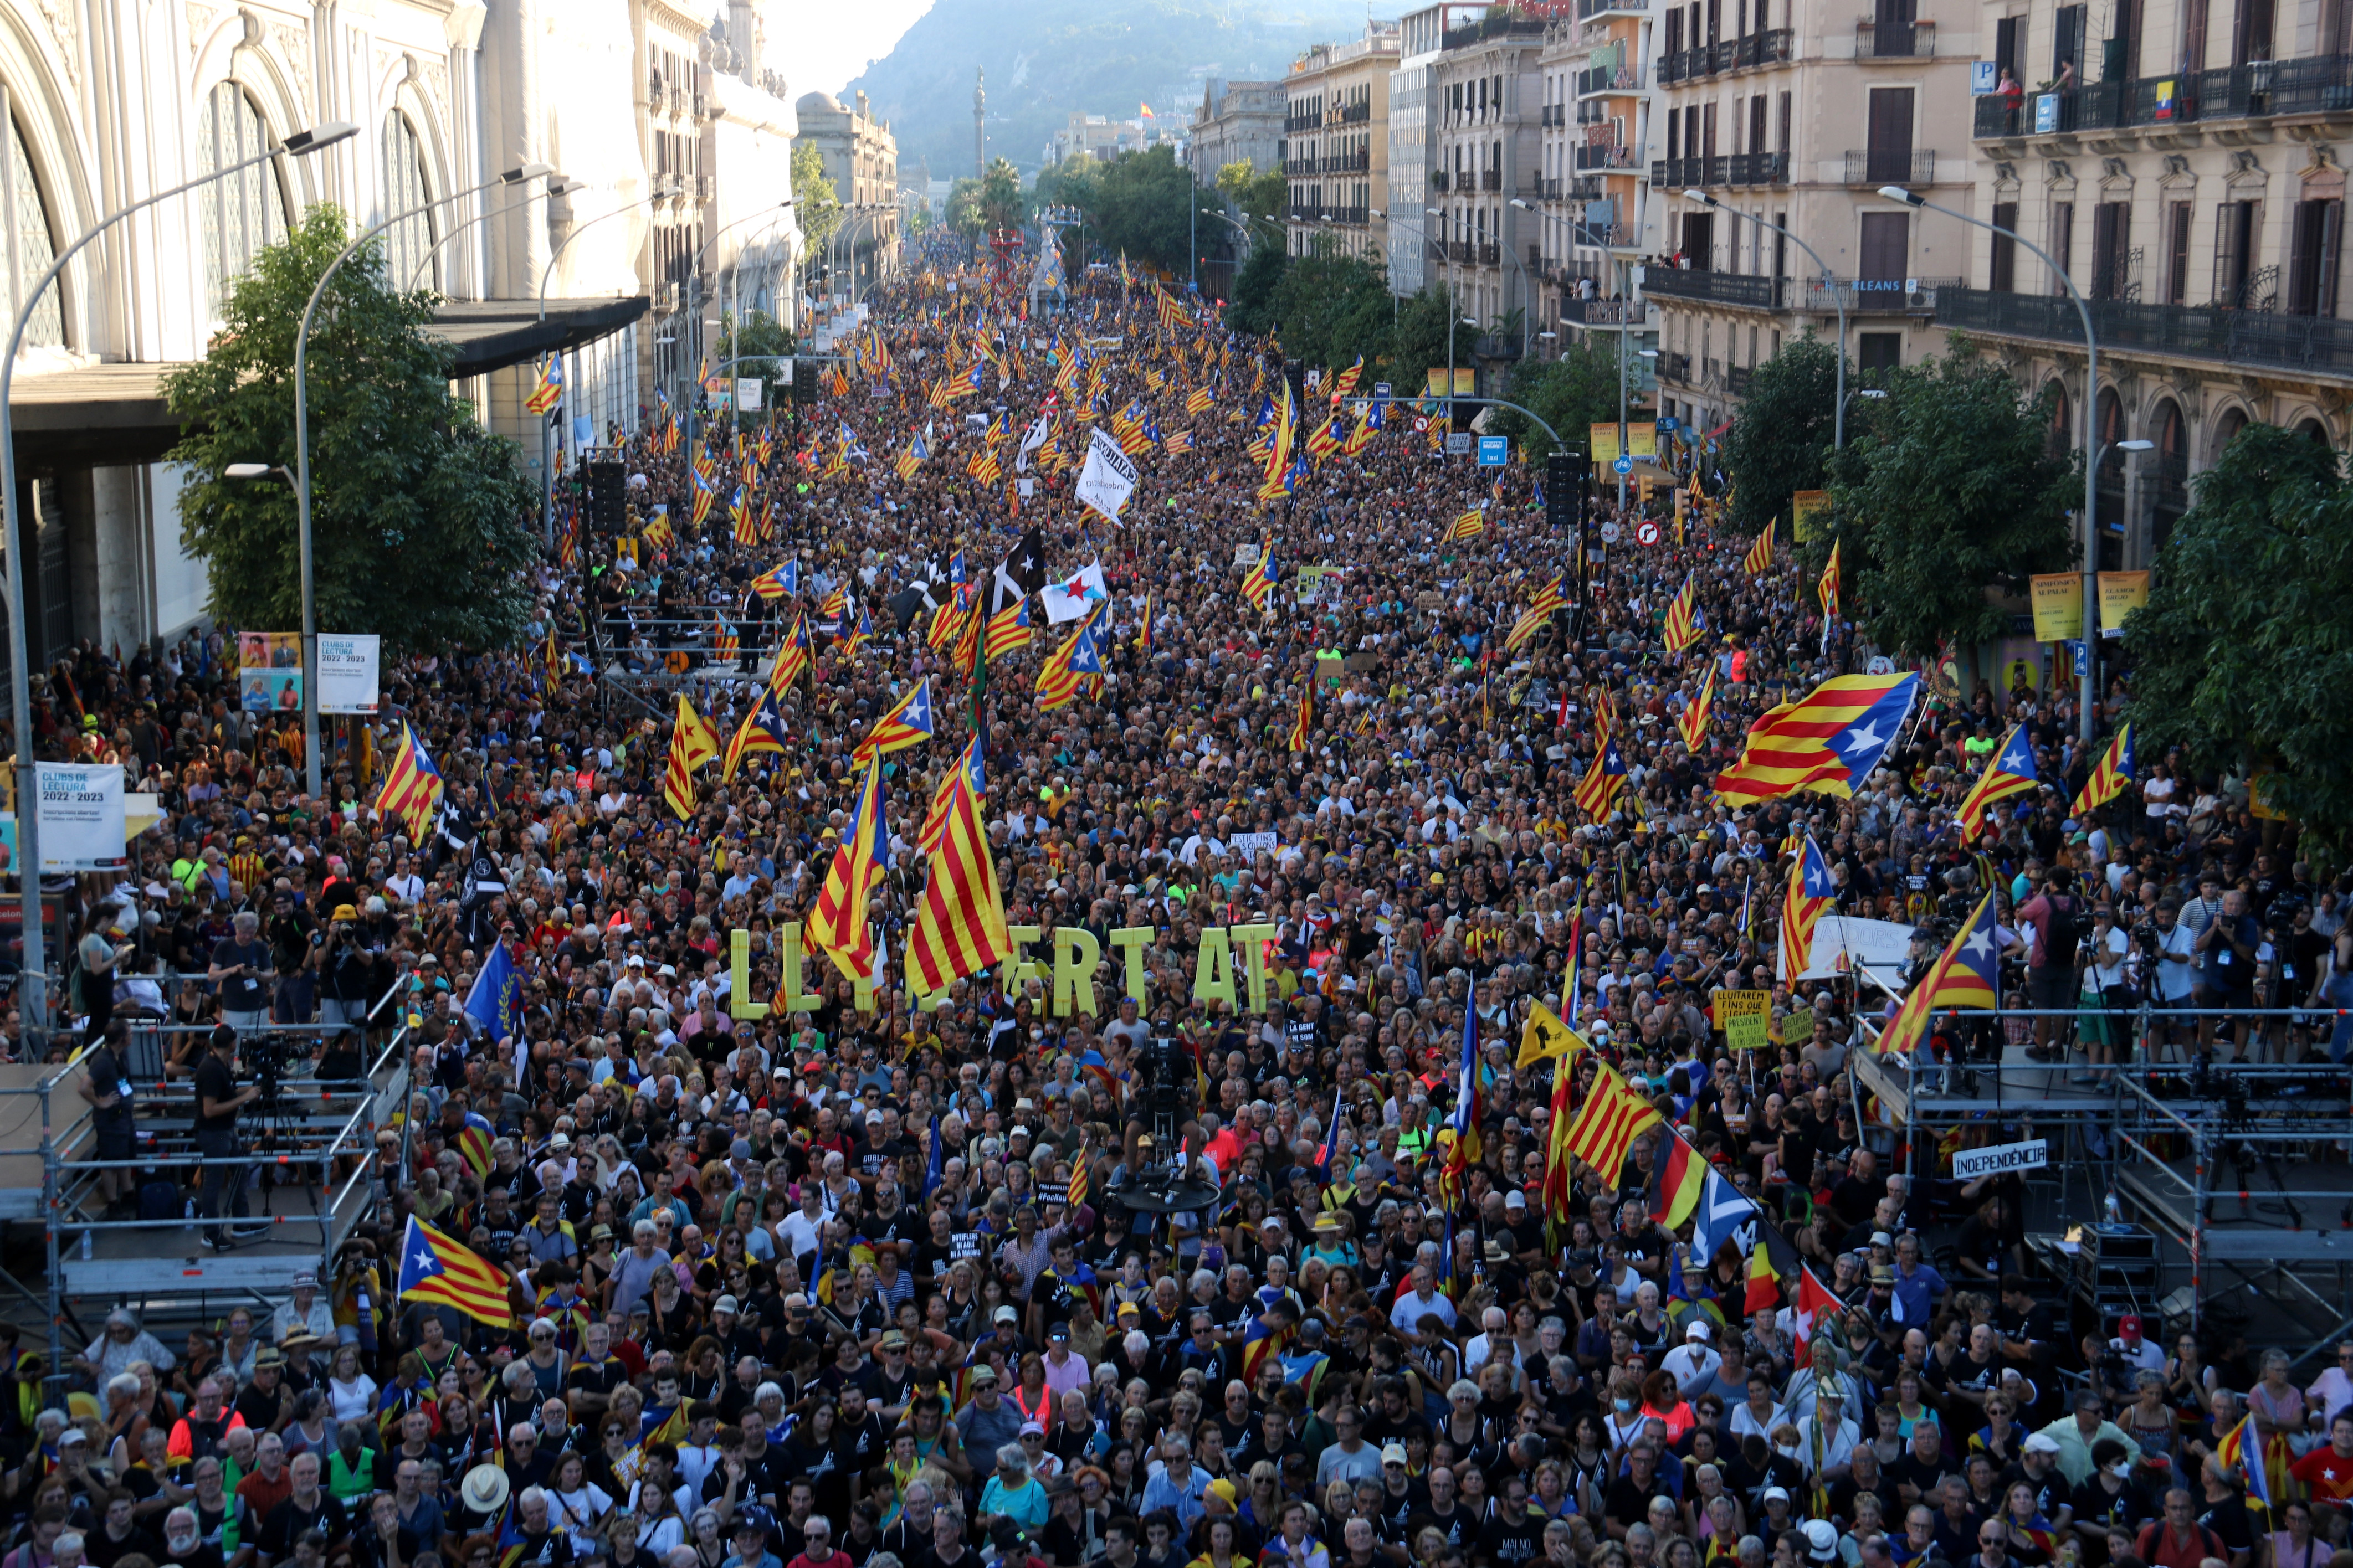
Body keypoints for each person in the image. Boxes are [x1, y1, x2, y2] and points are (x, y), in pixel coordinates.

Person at [192, 1024, 265, 1252]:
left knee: (241, 1168)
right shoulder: (212, 1069)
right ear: (232, 1043)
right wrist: (244, 1099)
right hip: (215, 1134)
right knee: (213, 1182)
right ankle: (211, 1233)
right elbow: (210, 1110)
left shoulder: (221, 1064)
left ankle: (242, 1222)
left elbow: (227, 1094)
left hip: (226, 1131)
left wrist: (247, 1091)